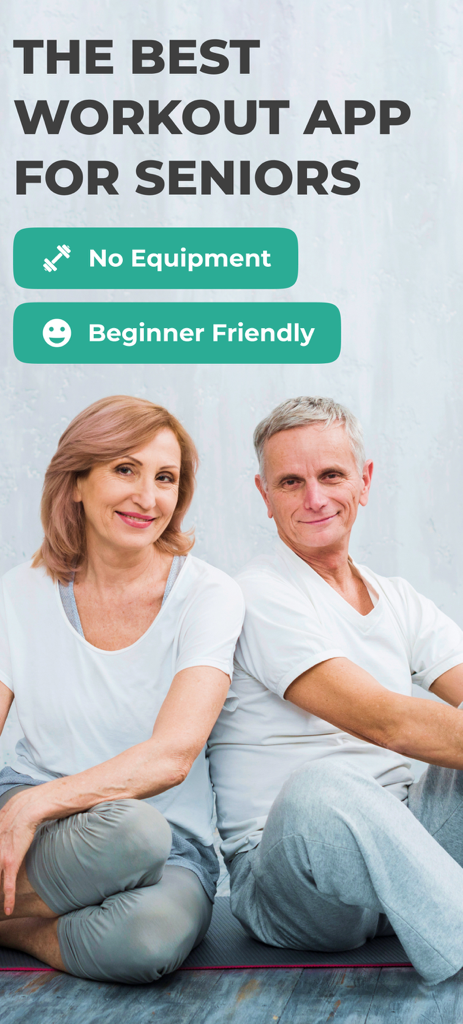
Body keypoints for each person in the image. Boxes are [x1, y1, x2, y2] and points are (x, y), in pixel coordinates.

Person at [208, 395, 463, 986]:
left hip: (406, 846)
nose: (315, 498)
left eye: (330, 475)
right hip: (294, 878)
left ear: (364, 482)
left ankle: (430, 904)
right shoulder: (259, 593)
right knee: (325, 786)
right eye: (291, 482)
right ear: (264, 495)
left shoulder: (396, 596)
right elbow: (387, 723)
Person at [0, 395, 244, 984]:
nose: (148, 497)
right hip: (35, 836)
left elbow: (173, 756)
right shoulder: (19, 591)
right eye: (124, 470)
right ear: (75, 483)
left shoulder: (210, 595)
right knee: (126, 834)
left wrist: (42, 801)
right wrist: (26, 806)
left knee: (145, 935)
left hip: (164, 845)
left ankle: (10, 924)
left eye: (165, 478)